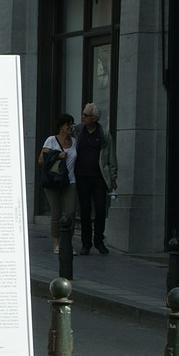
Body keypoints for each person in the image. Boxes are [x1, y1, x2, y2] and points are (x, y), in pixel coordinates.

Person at [75, 103, 117, 255]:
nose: (83, 117)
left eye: (86, 115)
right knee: (85, 211)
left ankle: (99, 241)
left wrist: (113, 178)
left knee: (100, 209)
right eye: (83, 114)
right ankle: (86, 244)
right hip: (82, 177)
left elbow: (112, 157)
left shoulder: (104, 134)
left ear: (94, 118)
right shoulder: (78, 131)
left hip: (99, 178)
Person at [38, 113, 78, 255]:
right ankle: (56, 244)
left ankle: (67, 243)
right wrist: (57, 154)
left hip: (70, 181)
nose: (70, 127)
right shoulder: (51, 140)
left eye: (72, 124)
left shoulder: (74, 141)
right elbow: (41, 160)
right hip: (53, 181)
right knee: (56, 213)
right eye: (68, 124)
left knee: (71, 213)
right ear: (61, 126)